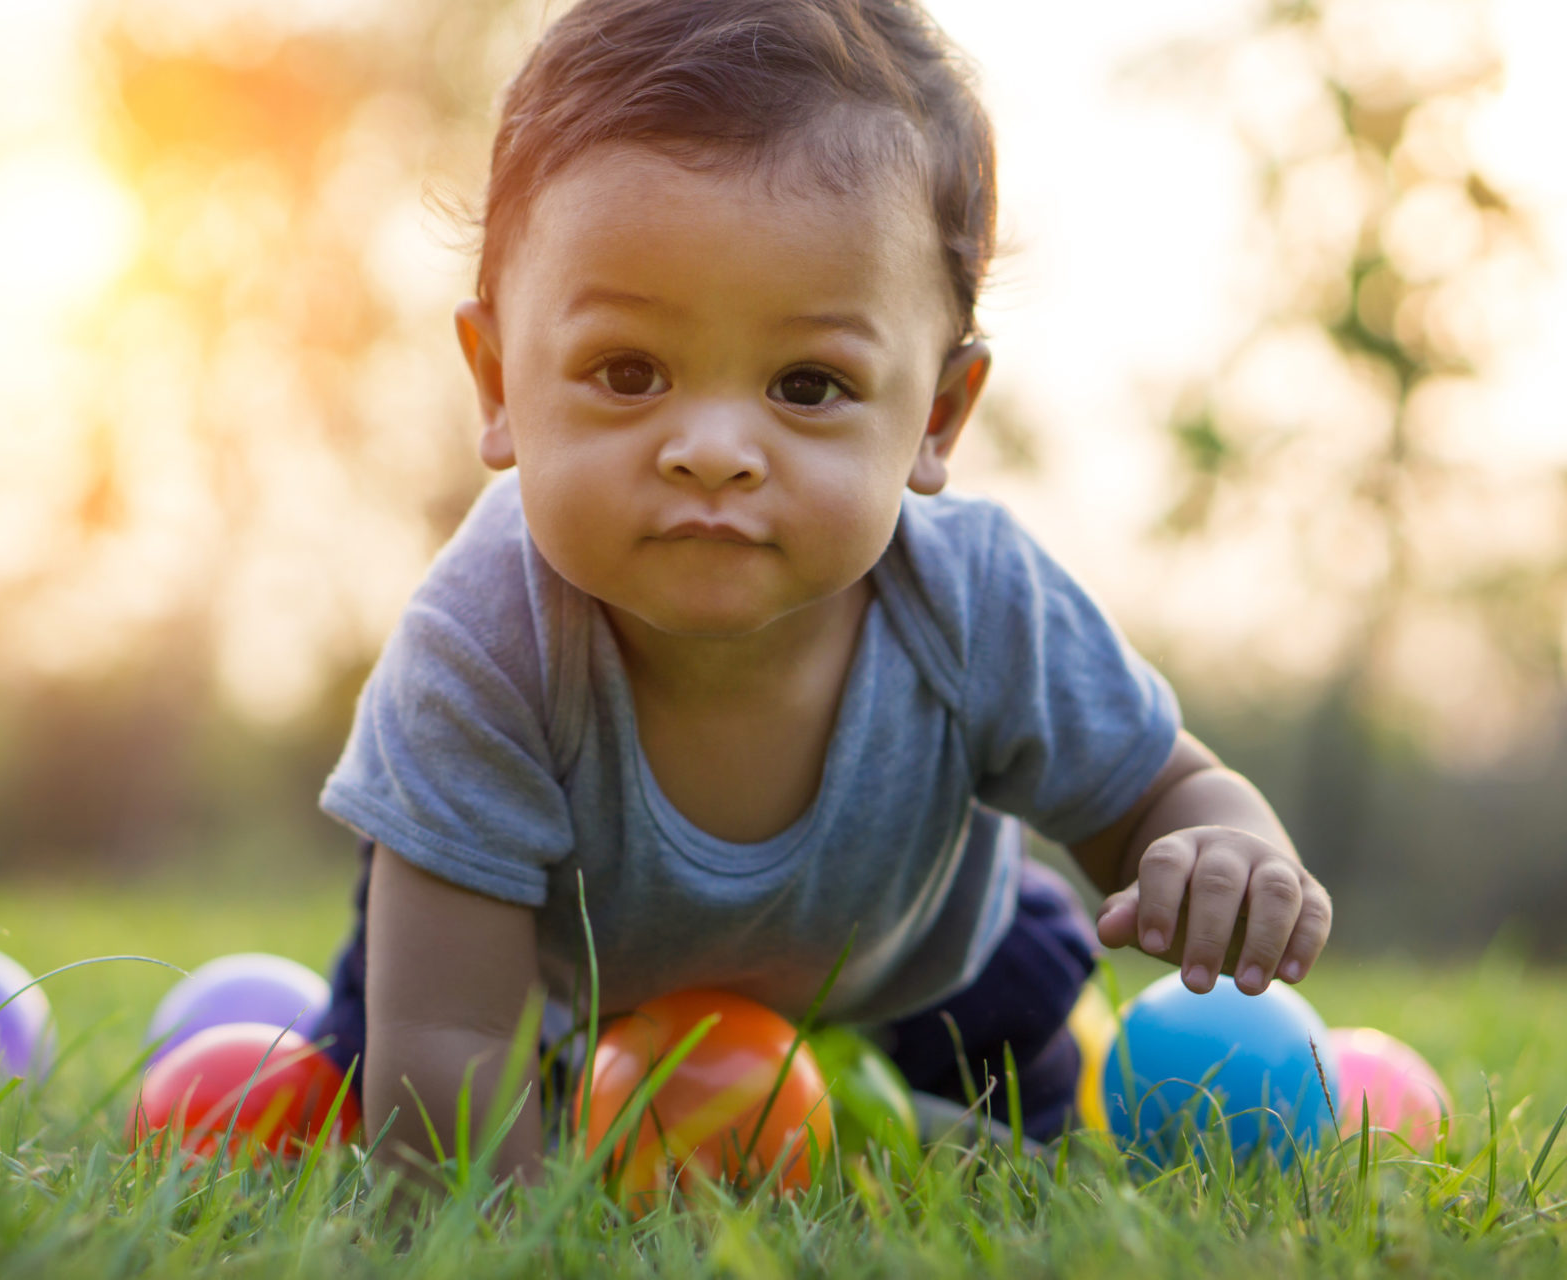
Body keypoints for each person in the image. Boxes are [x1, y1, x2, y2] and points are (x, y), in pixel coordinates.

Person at [311, 0, 1332, 1181]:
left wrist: (1221, 848)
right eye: (627, 370)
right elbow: (451, 1035)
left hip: (922, 974)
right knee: (386, 1093)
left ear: (937, 417)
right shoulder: (481, 647)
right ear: (498, 383)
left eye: (806, 383)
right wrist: (510, 1224)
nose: (711, 447)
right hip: (541, 997)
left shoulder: (979, 603)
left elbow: (1162, 792)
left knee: (1036, 1128)